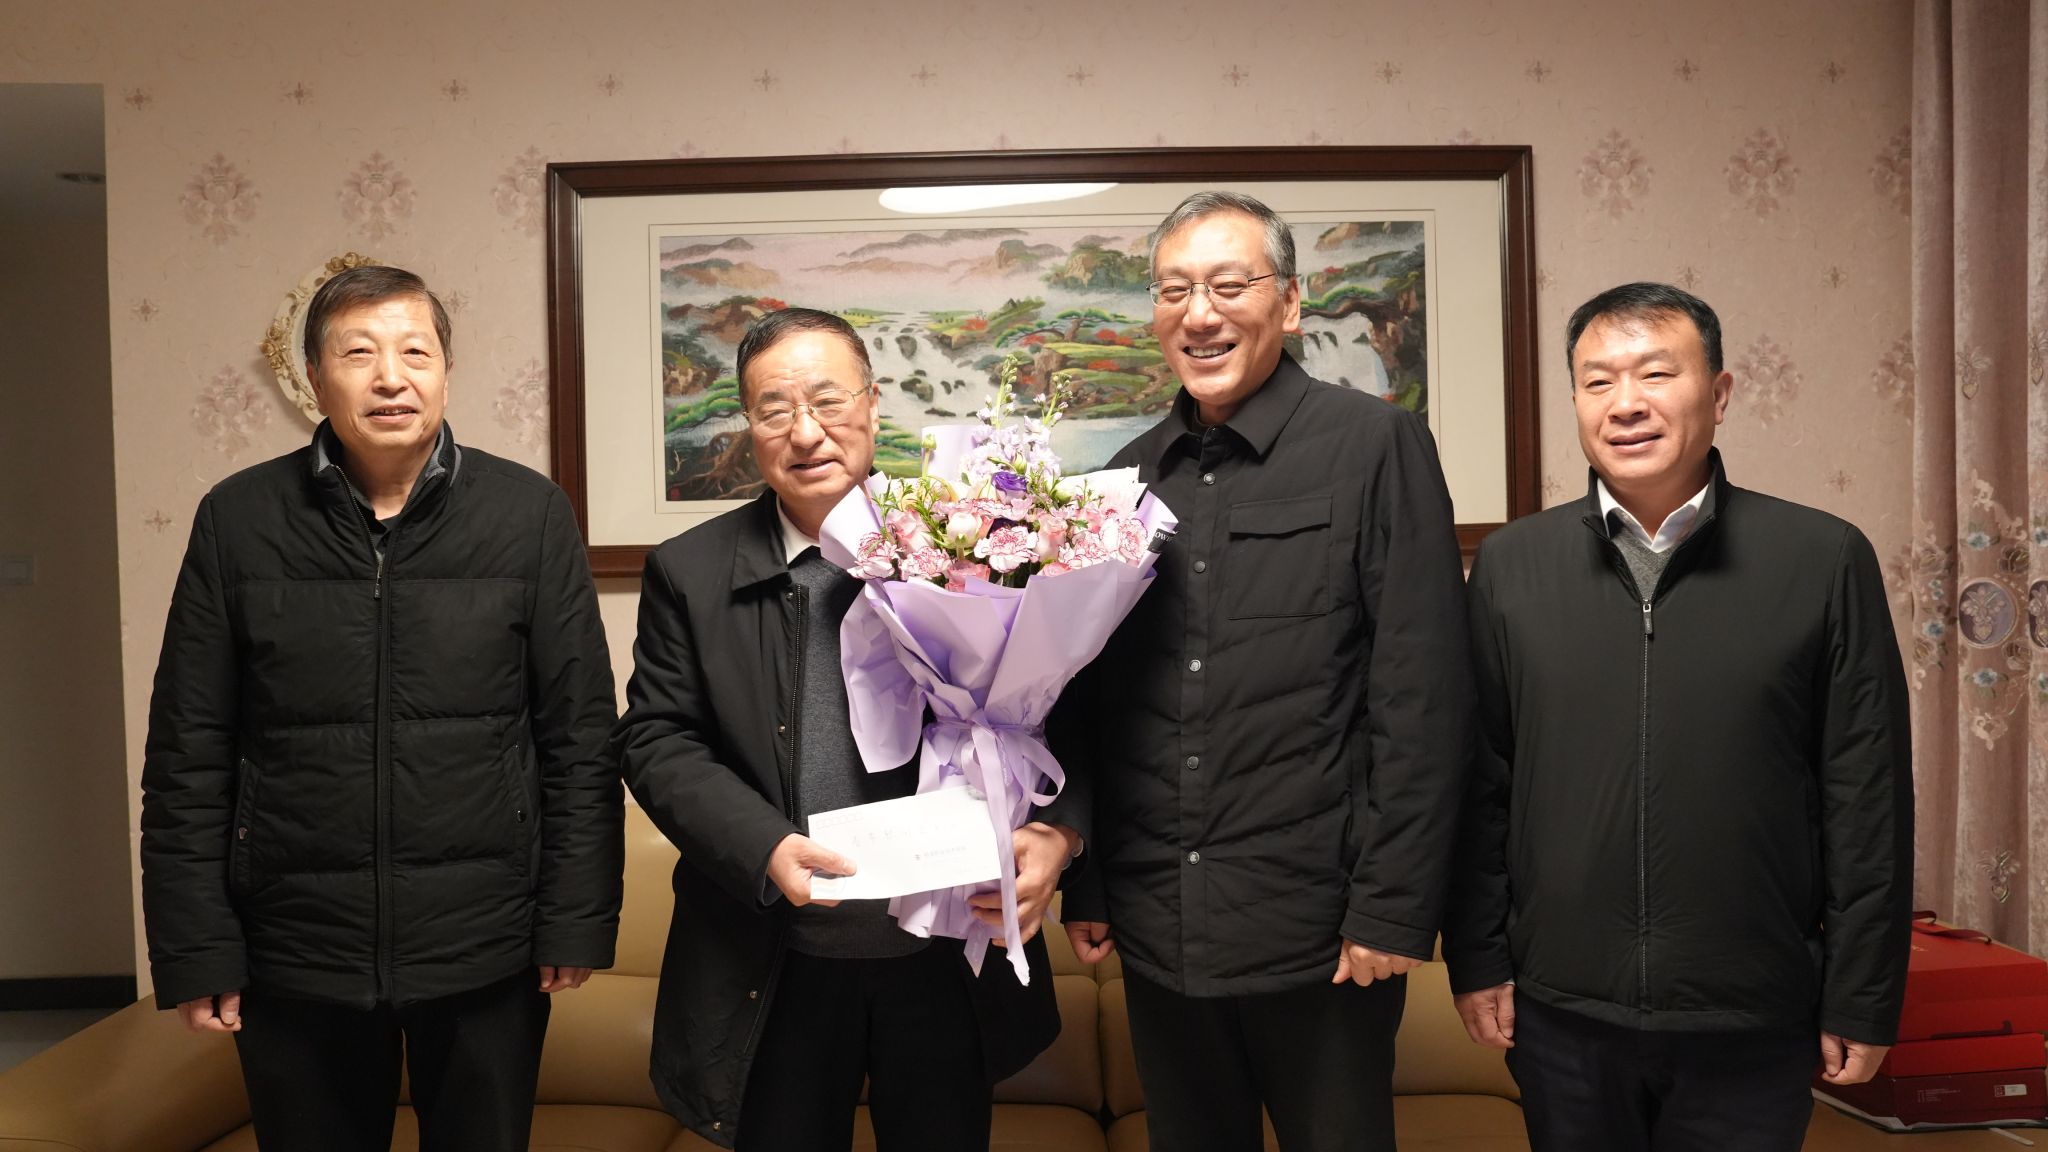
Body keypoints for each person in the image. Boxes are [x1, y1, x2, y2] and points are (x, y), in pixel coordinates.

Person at [139, 264, 622, 1150]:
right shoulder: (237, 520)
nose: (391, 378)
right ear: (314, 379)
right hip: (294, 951)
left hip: (487, 946)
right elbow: (187, 751)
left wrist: (575, 917)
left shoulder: (529, 516)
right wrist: (194, 943)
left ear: (446, 372)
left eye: (415, 353)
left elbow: (581, 740)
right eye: (359, 354)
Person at [1443, 282, 1914, 1151]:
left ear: (1720, 394)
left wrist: (1864, 995)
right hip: (1561, 1015)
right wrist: (1477, 960)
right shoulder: (1512, 566)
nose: (1625, 404)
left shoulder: (1822, 559)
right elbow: (1481, 785)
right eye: (1598, 381)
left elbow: (1867, 799)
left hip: (1752, 1014)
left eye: (1656, 374)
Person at [1051, 191, 1474, 1151]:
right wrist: (1097, 887)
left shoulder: (1374, 446)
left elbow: (1424, 695)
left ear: (1288, 302)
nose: (1198, 314)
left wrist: (1393, 907)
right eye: (1174, 291)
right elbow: (1101, 705)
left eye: (1228, 285)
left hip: (1322, 931)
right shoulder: (1123, 480)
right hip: (1160, 922)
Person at [613, 307, 1069, 1151]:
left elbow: (1058, 713)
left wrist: (1059, 834)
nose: (805, 431)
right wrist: (762, 846)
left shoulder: (976, 546)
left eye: (828, 399)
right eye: (774, 409)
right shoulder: (691, 572)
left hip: (943, 959)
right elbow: (657, 739)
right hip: (773, 962)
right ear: (749, 427)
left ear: (873, 402)